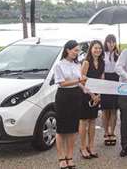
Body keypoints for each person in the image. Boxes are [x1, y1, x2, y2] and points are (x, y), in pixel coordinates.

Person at [54, 40, 87, 169]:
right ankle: (61, 158)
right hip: (63, 96)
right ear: (68, 50)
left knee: (73, 129)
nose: (76, 53)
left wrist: (89, 91)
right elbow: (61, 83)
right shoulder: (59, 65)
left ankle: (70, 156)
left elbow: (80, 83)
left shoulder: (77, 64)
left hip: (76, 96)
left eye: (78, 50)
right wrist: (79, 80)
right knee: (62, 129)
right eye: (75, 50)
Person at [78, 40, 104, 159]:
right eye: (95, 48)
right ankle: (83, 147)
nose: (98, 50)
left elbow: (101, 80)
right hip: (85, 95)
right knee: (84, 121)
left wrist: (99, 95)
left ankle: (91, 146)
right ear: (91, 49)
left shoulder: (102, 62)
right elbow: (81, 81)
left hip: (96, 95)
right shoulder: (86, 62)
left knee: (93, 121)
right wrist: (92, 94)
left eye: (99, 48)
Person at [100, 34, 120, 146]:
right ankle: (106, 132)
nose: (111, 44)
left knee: (114, 109)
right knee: (105, 109)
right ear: (106, 43)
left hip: (116, 80)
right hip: (105, 79)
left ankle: (112, 132)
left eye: (113, 42)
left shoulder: (119, 55)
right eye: (109, 42)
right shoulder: (102, 54)